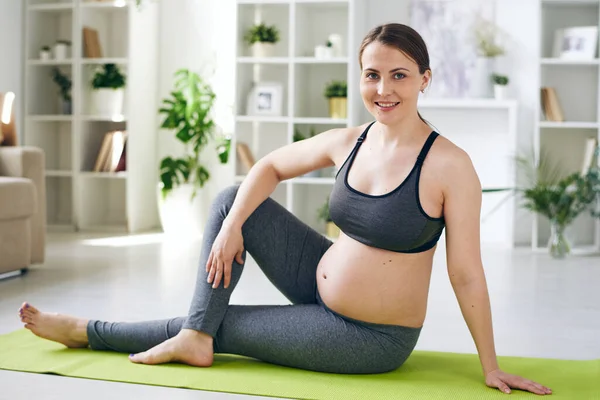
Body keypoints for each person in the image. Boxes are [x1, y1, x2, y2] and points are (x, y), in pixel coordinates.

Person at [18, 23, 552, 395]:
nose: (383, 89)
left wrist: (491, 365)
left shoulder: (451, 166)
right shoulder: (350, 139)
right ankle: (196, 332)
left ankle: (92, 330)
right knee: (234, 200)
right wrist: (232, 228)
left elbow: (465, 273)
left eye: (399, 75)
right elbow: (269, 166)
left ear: (424, 79)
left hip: (369, 338)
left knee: (218, 326)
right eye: (371, 74)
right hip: (316, 283)